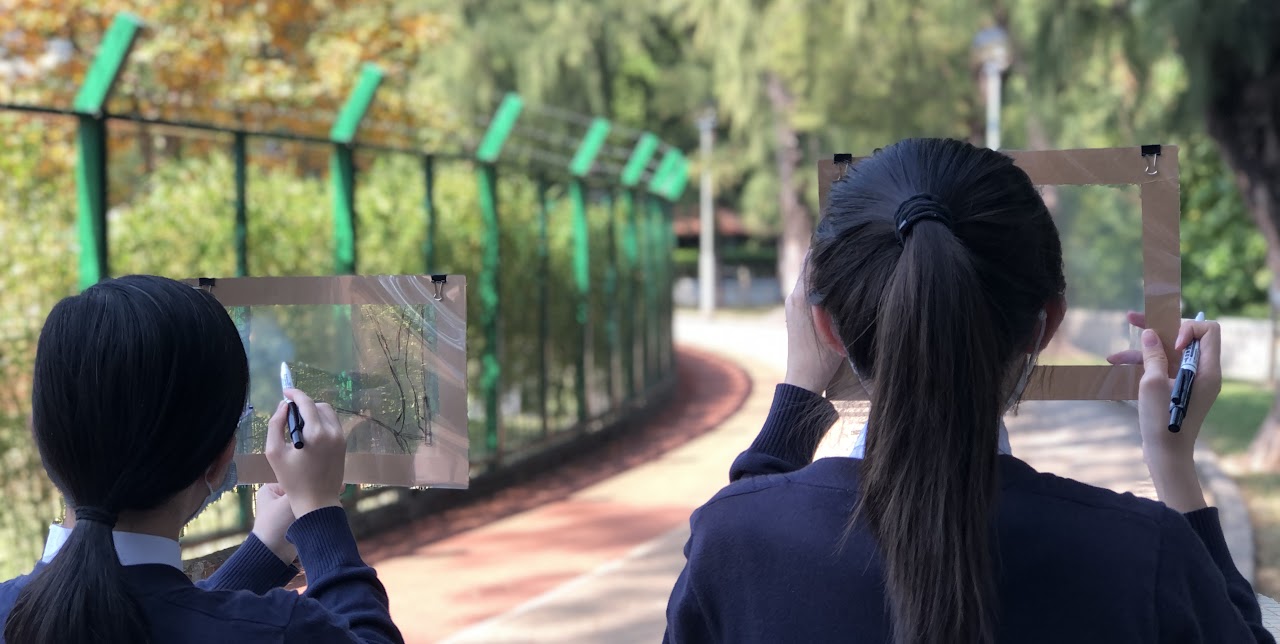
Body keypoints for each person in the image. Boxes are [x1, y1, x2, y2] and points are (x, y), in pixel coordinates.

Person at [664, 138, 1274, 644]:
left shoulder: (735, 541)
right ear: (1046, 325)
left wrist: (799, 392)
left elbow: (741, 541)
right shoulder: (1141, 556)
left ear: (825, 327)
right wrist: (1173, 463)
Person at [1, 274, 403, 644]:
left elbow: (174, 616)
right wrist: (319, 511)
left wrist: (266, 548)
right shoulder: (286, 629)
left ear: (44, 437)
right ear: (221, 457)